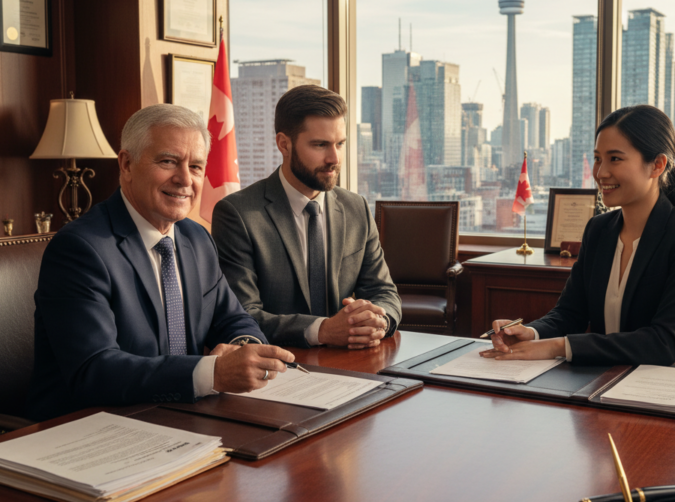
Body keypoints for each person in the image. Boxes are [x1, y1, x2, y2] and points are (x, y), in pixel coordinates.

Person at [28, 104, 296, 421]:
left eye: (196, 167)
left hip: (181, 415)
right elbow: (94, 370)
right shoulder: (80, 249)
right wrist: (212, 373)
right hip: (93, 427)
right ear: (126, 164)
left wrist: (245, 349)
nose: (185, 179)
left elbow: (232, 319)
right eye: (168, 161)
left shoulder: (196, 238)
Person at [482, 104, 675, 368]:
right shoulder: (598, 230)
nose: (600, 172)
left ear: (657, 165)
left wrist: (556, 346)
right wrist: (531, 332)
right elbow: (569, 313)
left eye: (615, 159)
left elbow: (664, 343)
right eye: (598, 158)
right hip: (611, 377)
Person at [211, 84, 401, 349]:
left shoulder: (355, 207)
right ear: (284, 144)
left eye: (340, 144)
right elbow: (243, 314)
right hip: (281, 365)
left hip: (354, 359)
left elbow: (384, 293)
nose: (334, 157)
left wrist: (379, 321)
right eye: (320, 145)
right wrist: (321, 330)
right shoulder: (238, 214)